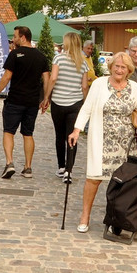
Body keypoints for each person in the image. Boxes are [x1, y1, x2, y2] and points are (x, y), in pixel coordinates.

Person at [67, 51, 137, 233]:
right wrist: (77, 129)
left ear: (129, 70)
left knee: (121, 183)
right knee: (93, 179)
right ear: (111, 67)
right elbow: (87, 108)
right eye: (116, 66)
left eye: (123, 67)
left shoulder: (135, 88)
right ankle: (85, 216)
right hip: (101, 141)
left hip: (125, 144)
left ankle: (115, 219)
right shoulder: (99, 84)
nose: (119, 70)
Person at [0, 25, 51, 179]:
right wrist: (46, 98)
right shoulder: (41, 56)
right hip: (32, 101)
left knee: (8, 132)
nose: (13, 39)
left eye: (15, 36)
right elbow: (47, 79)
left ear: (23, 37)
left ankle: (9, 163)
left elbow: (7, 76)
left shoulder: (15, 54)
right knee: (28, 134)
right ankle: (28, 167)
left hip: (15, 99)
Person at [44, 30, 90, 179]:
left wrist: (46, 97)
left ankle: (61, 167)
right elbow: (84, 86)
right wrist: (85, 103)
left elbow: (53, 78)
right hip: (75, 103)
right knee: (72, 136)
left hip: (58, 102)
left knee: (59, 135)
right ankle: (69, 171)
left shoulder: (58, 58)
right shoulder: (83, 62)